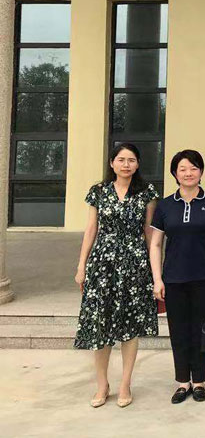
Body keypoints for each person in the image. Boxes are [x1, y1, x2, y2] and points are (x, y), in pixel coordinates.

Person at [74, 143, 160, 408]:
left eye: (131, 160)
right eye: (121, 159)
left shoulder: (146, 192)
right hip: (102, 265)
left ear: (138, 164)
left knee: (130, 325)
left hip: (135, 264)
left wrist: (156, 271)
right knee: (100, 324)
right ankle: (102, 384)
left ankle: (125, 383)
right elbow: (91, 229)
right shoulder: (98, 191)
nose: (126, 164)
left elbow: (149, 232)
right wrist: (81, 266)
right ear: (112, 163)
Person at [149, 150, 205, 404]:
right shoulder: (165, 205)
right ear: (175, 173)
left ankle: (199, 380)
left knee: (201, 330)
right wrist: (157, 279)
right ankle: (183, 381)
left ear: (201, 172)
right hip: (174, 278)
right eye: (182, 169)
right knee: (179, 331)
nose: (188, 173)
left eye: (193, 168)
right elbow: (156, 244)